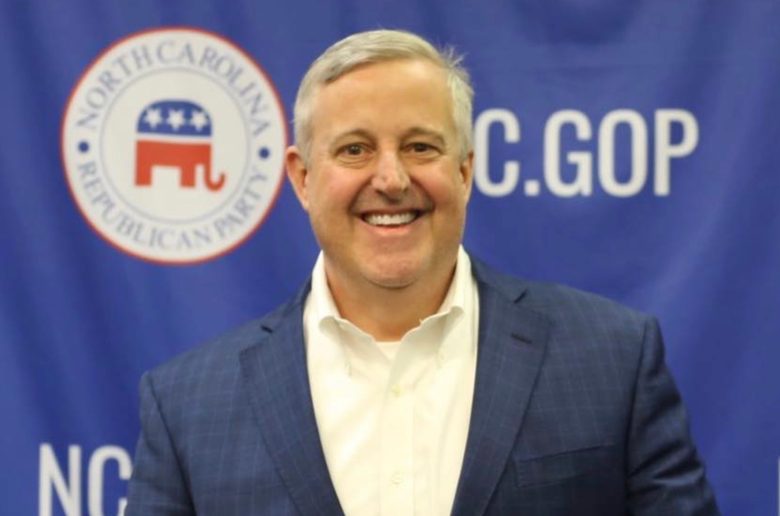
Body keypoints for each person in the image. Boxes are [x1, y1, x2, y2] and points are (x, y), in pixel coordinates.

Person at [126, 29, 719, 515]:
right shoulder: (186, 407)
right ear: (303, 178)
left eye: (420, 147)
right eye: (355, 149)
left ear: (464, 171)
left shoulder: (612, 360)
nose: (391, 179)